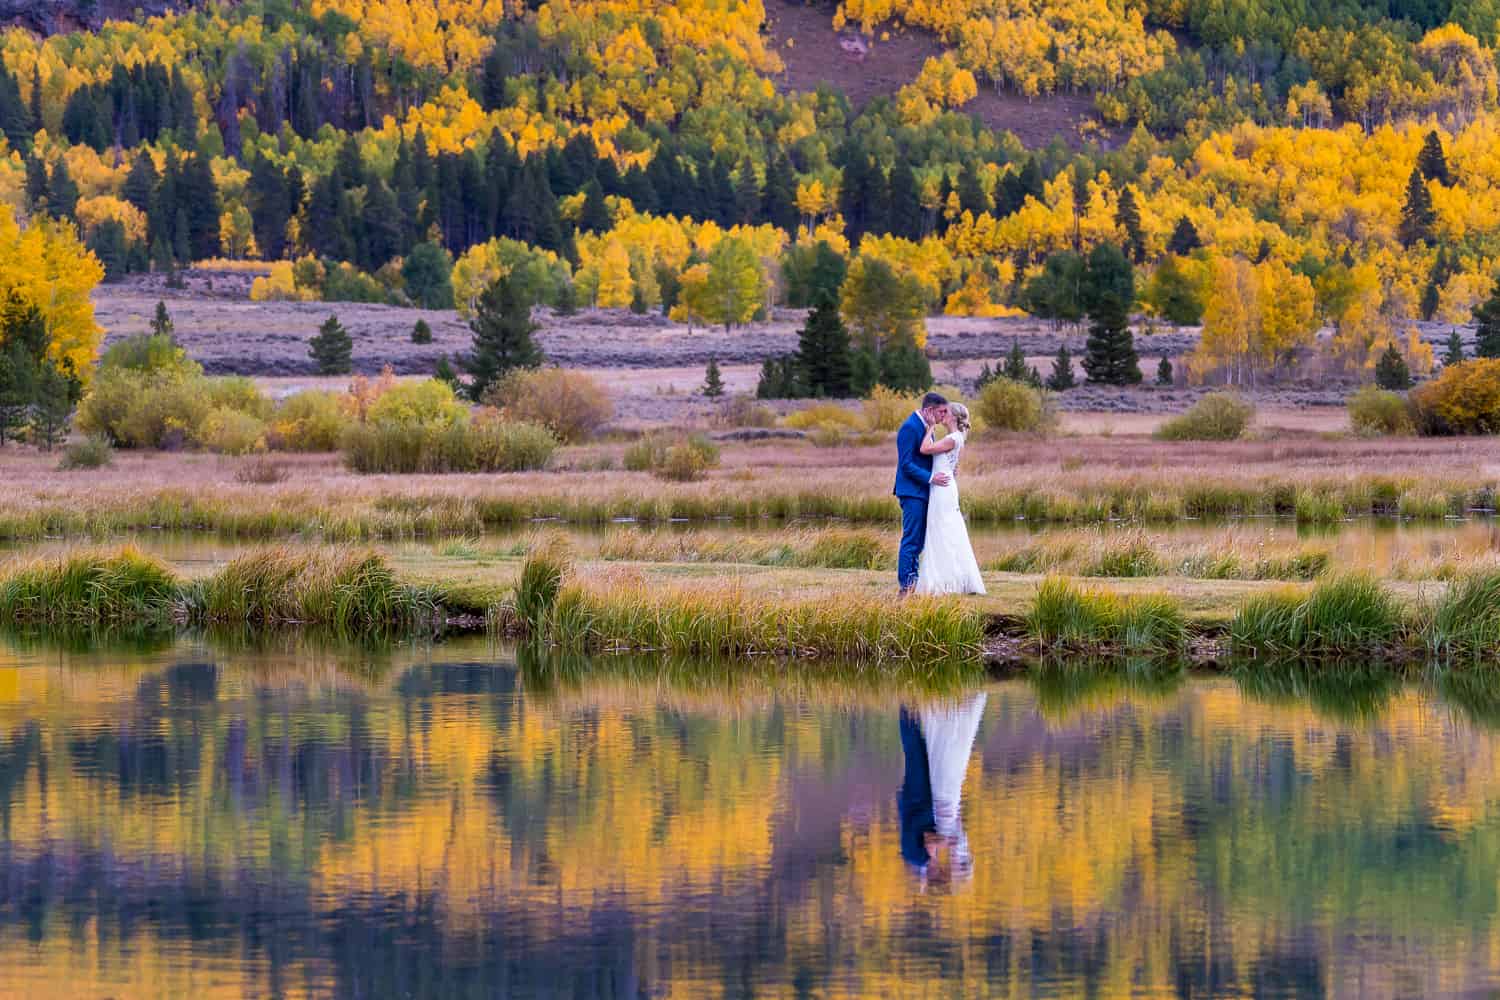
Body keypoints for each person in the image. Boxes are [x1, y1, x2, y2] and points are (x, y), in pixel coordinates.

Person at [914, 402, 986, 595]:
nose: (942, 415)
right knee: (944, 529)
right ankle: (949, 578)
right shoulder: (956, 437)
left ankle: (945, 581)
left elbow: (924, 449)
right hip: (943, 486)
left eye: (946, 412)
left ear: (953, 417)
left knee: (943, 529)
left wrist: (930, 427)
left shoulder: (952, 438)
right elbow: (952, 466)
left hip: (942, 488)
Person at [893, 392, 950, 593]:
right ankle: (906, 585)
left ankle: (914, 581)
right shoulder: (910, 427)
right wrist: (931, 478)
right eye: (941, 412)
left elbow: (927, 457)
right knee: (911, 539)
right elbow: (906, 464)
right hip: (911, 492)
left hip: (923, 491)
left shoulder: (928, 428)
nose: (944, 416)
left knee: (919, 540)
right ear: (928, 410)